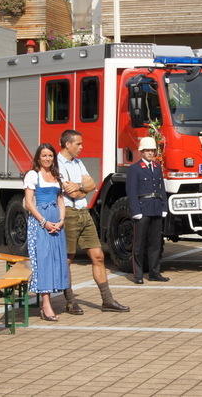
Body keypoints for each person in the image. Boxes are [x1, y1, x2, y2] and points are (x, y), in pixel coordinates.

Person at [57, 129, 129, 313]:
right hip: (69, 213)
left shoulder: (78, 162)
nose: (82, 147)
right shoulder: (57, 163)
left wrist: (81, 187)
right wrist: (82, 188)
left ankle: (107, 300)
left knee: (98, 256)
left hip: (83, 211)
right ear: (67, 144)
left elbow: (92, 185)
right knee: (68, 258)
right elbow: (70, 192)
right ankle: (70, 300)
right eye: (78, 144)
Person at [24, 143, 69, 321]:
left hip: (56, 222)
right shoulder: (33, 175)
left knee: (55, 259)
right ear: (38, 158)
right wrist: (44, 222)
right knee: (43, 260)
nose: (47, 159)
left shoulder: (57, 176)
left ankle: (48, 300)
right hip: (39, 222)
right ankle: (45, 304)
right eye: (44, 156)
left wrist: (61, 220)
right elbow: (29, 202)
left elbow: (60, 201)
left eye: (50, 155)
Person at [126, 137, 169, 284]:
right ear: (141, 152)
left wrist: (164, 207)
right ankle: (138, 275)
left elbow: (161, 188)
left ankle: (154, 272)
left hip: (156, 207)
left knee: (156, 243)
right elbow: (131, 192)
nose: (150, 153)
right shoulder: (134, 169)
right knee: (139, 244)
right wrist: (135, 210)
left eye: (152, 150)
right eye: (147, 150)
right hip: (143, 209)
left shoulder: (157, 168)